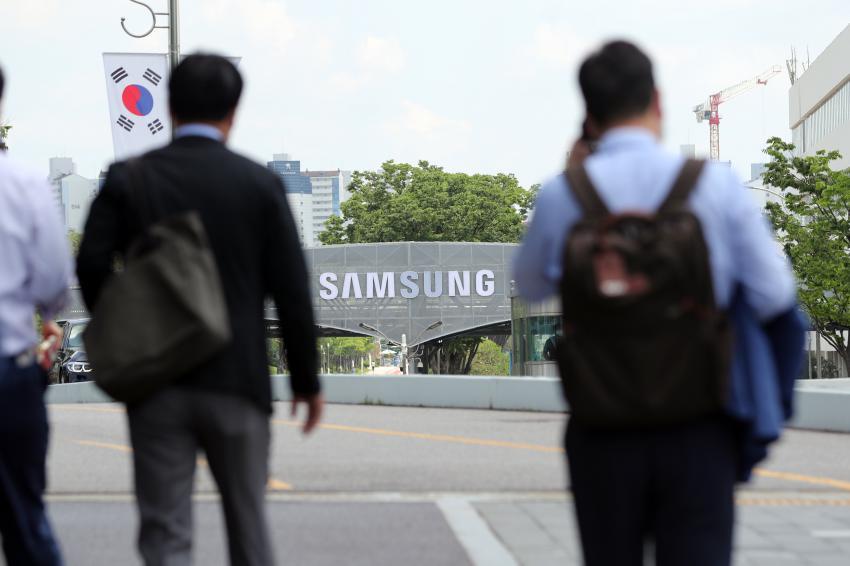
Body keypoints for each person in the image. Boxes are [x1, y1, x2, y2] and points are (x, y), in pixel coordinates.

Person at [513, 41, 798, 566]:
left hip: (602, 427)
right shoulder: (713, 185)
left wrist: (575, 174)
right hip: (699, 425)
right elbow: (776, 296)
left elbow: (529, 284)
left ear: (590, 117)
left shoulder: (563, 194)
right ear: (659, 101)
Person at [77, 54, 323, 566]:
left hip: (156, 382)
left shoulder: (129, 178)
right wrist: (306, 380)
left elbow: (91, 265)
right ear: (234, 111)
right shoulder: (259, 183)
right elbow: (292, 290)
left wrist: (127, 329)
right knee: (248, 525)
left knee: (165, 532)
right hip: (238, 381)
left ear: (167, 106)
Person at [0, 64, 70, 566]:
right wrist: (46, 316)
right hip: (7, 376)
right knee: (24, 520)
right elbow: (52, 285)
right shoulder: (22, 183)